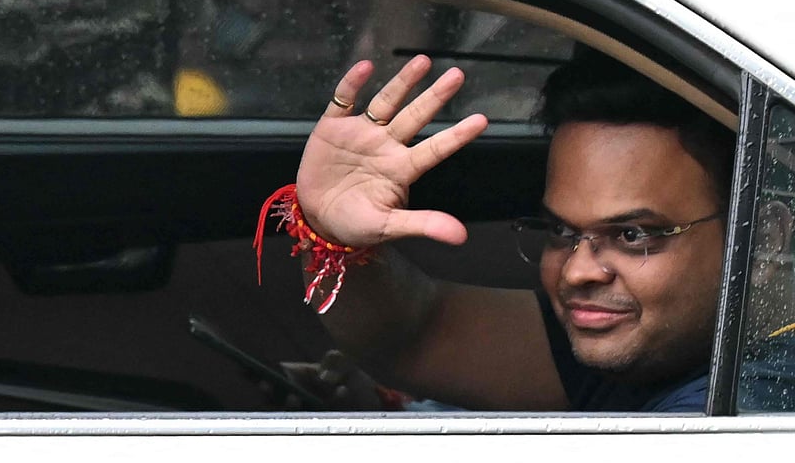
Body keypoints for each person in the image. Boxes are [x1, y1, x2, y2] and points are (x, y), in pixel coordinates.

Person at [276, 47, 739, 413]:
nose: (577, 272)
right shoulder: (670, 346)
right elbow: (414, 333)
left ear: (763, 236)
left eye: (633, 235)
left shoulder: (753, 402)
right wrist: (332, 234)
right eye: (560, 230)